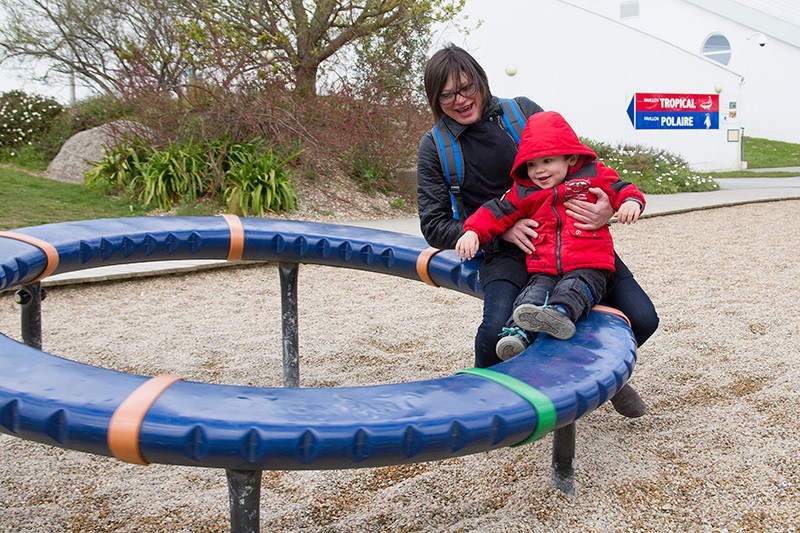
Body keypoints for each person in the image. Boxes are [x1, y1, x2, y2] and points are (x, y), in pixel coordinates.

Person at [417, 44, 658, 418]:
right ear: (435, 99)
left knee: (643, 318)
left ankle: (594, 377)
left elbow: (581, 164)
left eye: (467, 88)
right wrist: (501, 232)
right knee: (495, 330)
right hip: (508, 249)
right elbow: (433, 224)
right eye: (447, 95)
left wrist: (607, 207)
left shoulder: (522, 112)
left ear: (480, 80)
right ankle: (485, 410)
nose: (461, 100)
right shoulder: (436, 147)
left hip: (573, 239)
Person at [455, 111, 645, 360]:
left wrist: (630, 202)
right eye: (531, 164)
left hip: (589, 264)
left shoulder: (592, 175)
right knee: (531, 295)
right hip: (544, 268)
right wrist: (473, 231)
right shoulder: (525, 191)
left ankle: (560, 313)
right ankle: (517, 334)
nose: (539, 171)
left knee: (574, 288)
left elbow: (622, 188)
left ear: (570, 157)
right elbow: (496, 211)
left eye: (547, 161)